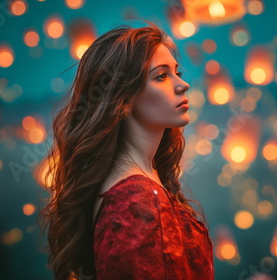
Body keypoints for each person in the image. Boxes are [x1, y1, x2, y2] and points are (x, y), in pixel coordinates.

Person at [38, 21, 214, 280]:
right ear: (123, 96)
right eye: (161, 76)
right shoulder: (134, 200)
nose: (182, 85)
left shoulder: (144, 182)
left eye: (177, 72)